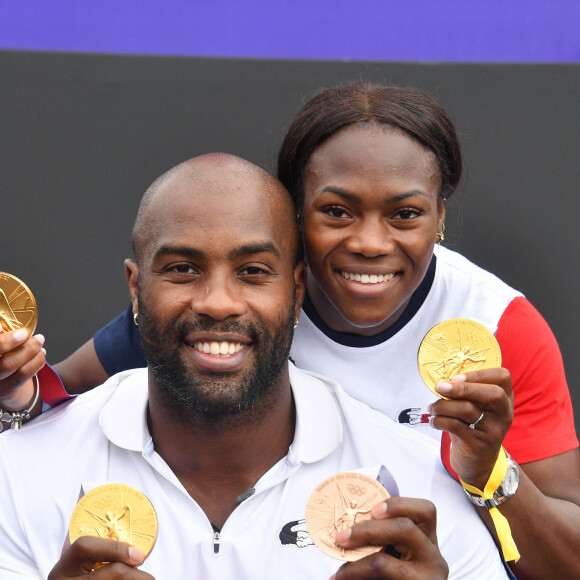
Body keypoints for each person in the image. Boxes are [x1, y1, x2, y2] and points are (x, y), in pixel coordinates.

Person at [2, 83, 579, 577]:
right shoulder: (206, 314)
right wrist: (17, 399)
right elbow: (52, 408)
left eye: (404, 213)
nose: (370, 243)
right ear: (298, 222)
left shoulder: (496, 328)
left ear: (440, 215)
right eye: (337, 211)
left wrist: (486, 474)